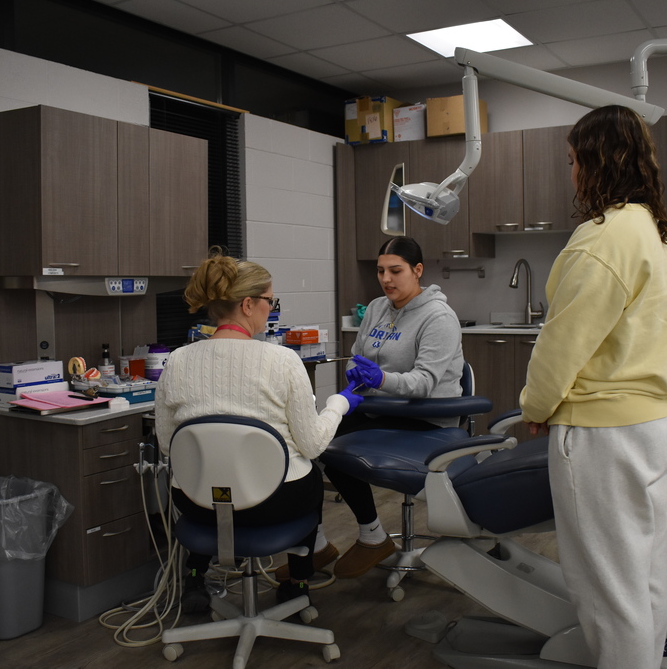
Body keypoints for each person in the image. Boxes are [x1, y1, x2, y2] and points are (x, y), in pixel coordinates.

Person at [519, 105, 667, 669]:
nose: (571, 173)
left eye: (573, 161)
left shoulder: (602, 238)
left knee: (608, 592)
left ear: (597, 162)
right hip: (661, 424)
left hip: (607, 436)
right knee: (642, 572)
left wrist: (535, 407)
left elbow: (561, 343)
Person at [154, 247, 363, 611]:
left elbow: (168, 446)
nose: (272, 308)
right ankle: (297, 585)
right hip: (273, 505)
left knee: (212, 476)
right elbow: (312, 445)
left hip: (199, 503)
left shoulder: (177, 360)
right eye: (270, 300)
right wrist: (339, 404)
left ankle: (194, 577)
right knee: (311, 476)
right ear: (248, 305)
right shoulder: (282, 360)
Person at [322, 236, 464, 580]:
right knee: (318, 441)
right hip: (382, 409)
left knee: (337, 445)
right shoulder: (376, 309)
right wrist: (356, 374)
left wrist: (380, 379)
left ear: (417, 271)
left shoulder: (438, 317)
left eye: (395, 271)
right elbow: (359, 354)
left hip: (425, 418)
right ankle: (341, 541)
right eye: (381, 271)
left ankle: (369, 539)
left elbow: (424, 382)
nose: (386, 279)